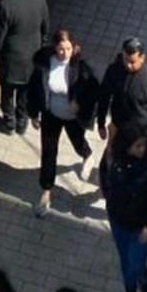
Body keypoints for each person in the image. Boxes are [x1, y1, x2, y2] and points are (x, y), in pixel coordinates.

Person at [25, 28, 99, 215]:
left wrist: (79, 103)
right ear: (54, 48)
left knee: (77, 141)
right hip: (51, 114)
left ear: (74, 48)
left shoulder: (80, 67)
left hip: (72, 117)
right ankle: (46, 192)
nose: (64, 53)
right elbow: (34, 89)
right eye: (60, 49)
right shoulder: (44, 64)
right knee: (49, 152)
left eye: (67, 49)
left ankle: (88, 155)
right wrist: (33, 114)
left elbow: (94, 91)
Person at [99, 122, 147, 292]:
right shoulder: (114, 160)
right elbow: (105, 179)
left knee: (135, 265)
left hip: (141, 227)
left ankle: (145, 287)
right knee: (125, 262)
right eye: (137, 146)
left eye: (143, 145)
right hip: (118, 221)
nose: (141, 150)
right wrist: (110, 200)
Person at [0, 0, 49, 136]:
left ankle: (9, 123)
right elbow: (46, 27)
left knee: (7, 92)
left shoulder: (6, 5)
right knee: (25, 92)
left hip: (10, 59)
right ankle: (22, 122)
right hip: (31, 58)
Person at [96, 37, 147, 151]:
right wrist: (101, 123)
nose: (128, 65)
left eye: (132, 62)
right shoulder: (114, 71)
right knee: (111, 162)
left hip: (141, 136)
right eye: (125, 59)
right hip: (117, 128)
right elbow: (104, 97)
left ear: (142, 58)